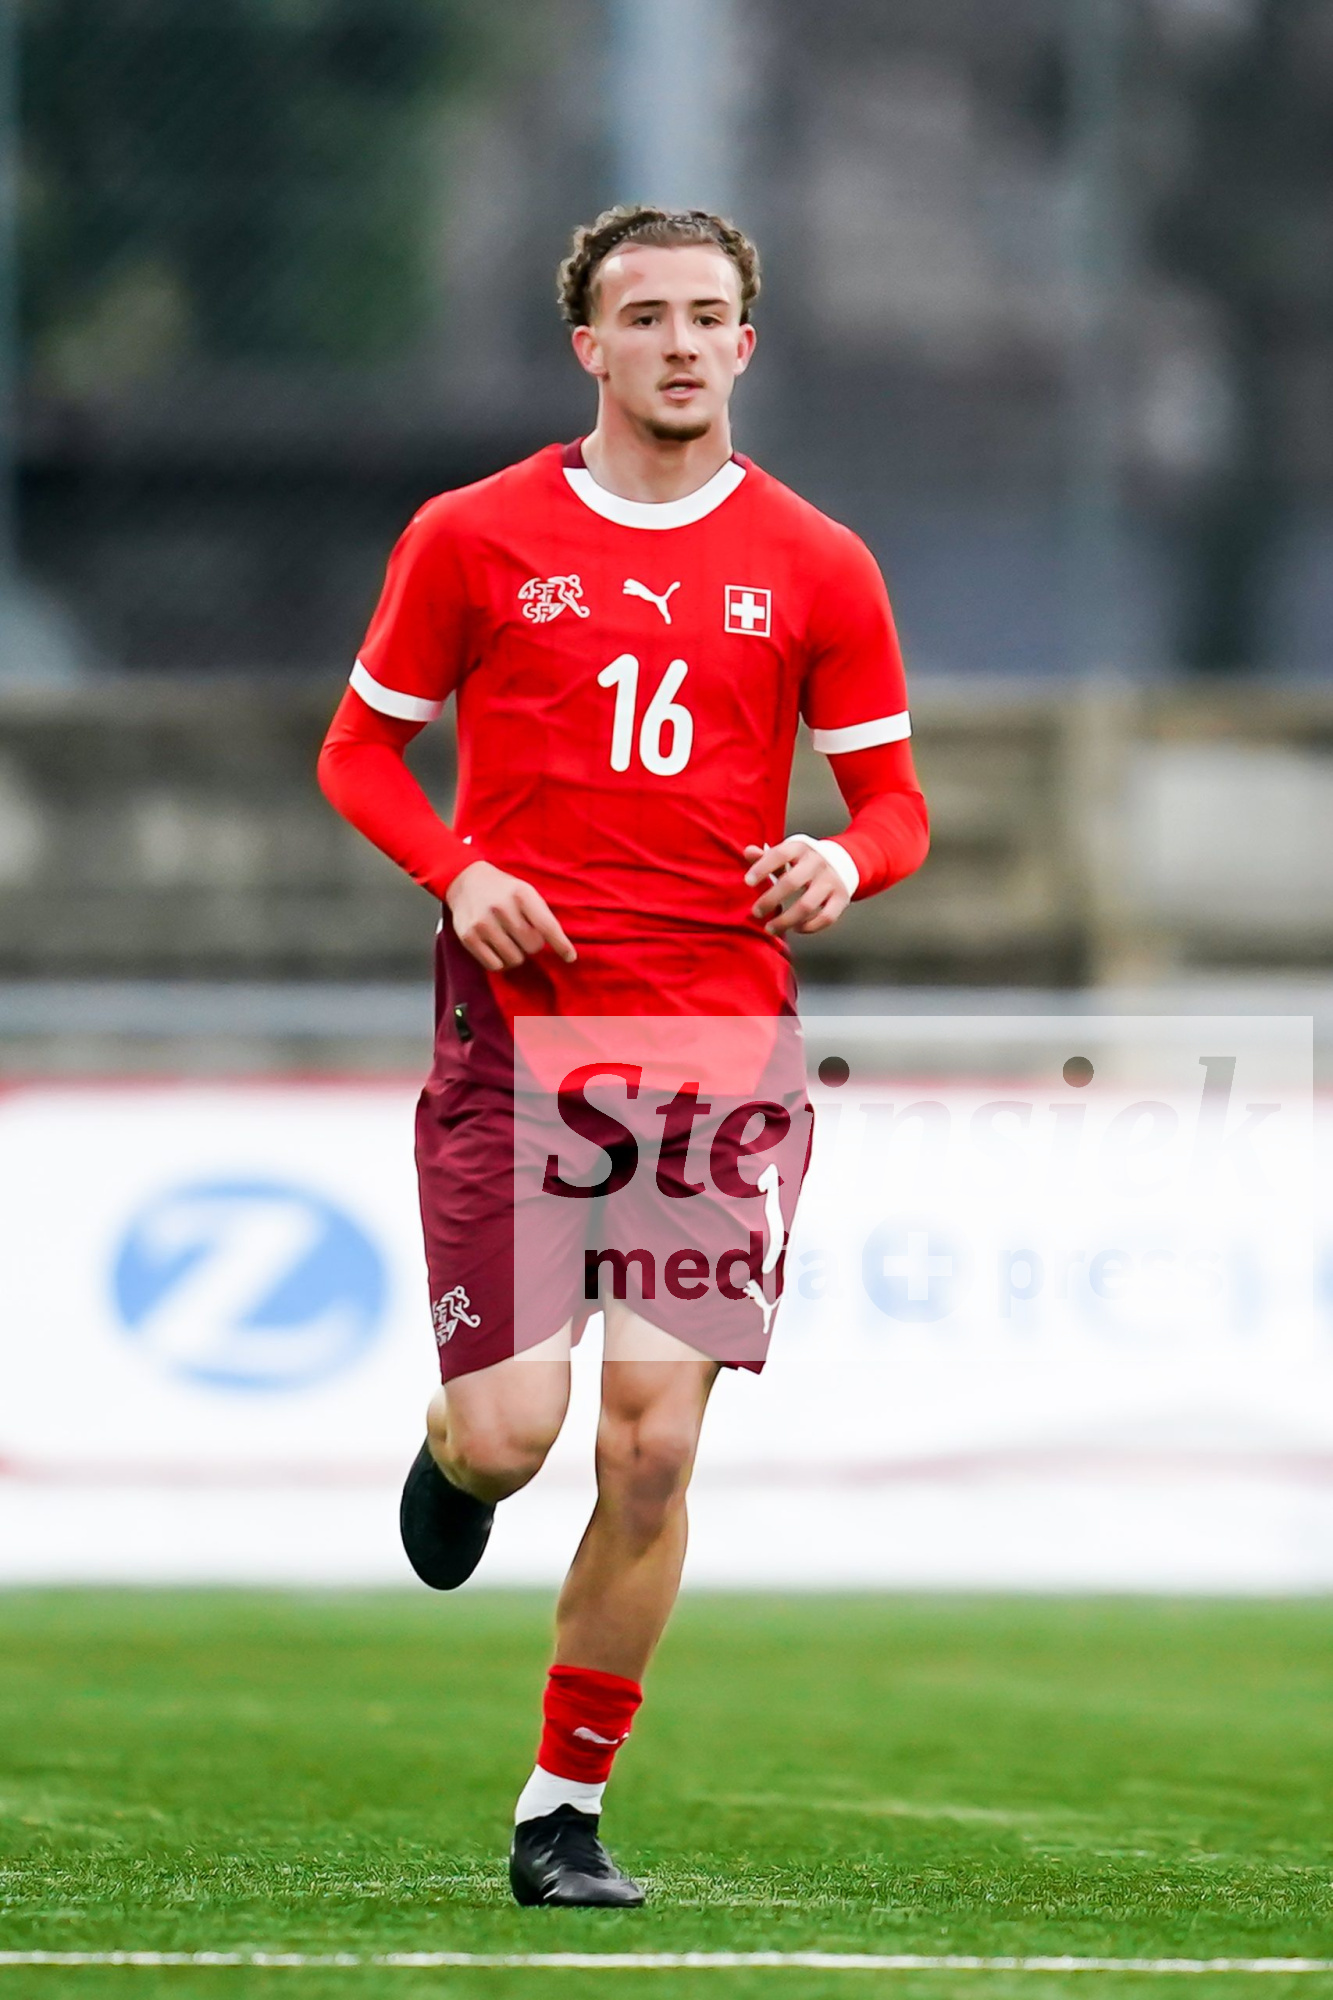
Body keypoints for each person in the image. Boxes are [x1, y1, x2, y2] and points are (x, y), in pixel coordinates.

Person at [317, 205, 929, 1909]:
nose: (678, 342)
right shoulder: (470, 535)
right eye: (643, 315)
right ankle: (453, 1452)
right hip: (517, 1049)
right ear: (586, 344)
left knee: (649, 1449)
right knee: (513, 1435)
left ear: (746, 343)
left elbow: (894, 803)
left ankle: (561, 1811)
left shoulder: (816, 560)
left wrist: (843, 861)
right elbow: (357, 755)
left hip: (716, 1060)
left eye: (706, 315)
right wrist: (460, 872)